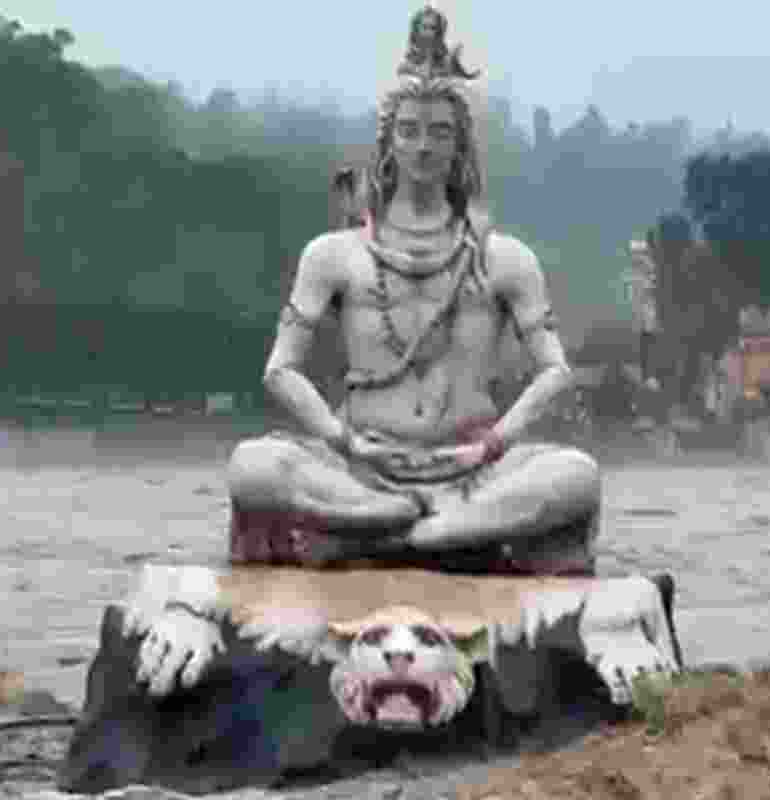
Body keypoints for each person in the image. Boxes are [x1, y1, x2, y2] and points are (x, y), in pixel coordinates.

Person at [226, 6, 599, 575]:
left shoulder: (504, 258)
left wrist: (492, 445)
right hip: (364, 469)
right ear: (388, 143)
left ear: (459, 146)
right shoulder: (334, 254)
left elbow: (555, 371)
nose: (423, 146)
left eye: (440, 132)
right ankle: (398, 519)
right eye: (410, 130)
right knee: (253, 466)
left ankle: (419, 531)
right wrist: (345, 441)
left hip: (473, 468)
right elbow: (280, 369)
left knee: (576, 476)